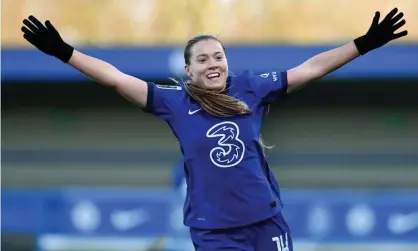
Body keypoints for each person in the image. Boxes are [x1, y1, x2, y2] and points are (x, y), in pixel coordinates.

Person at [21, 8, 407, 251]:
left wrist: (363, 44)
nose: (213, 63)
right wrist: (64, 52)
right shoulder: (174, 101)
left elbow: (311, 68)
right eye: (203, 59)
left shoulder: (251, 87)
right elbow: (117, 80)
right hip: (215, 234)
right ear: (188, 71)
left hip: (265, 221)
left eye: (218, 56)